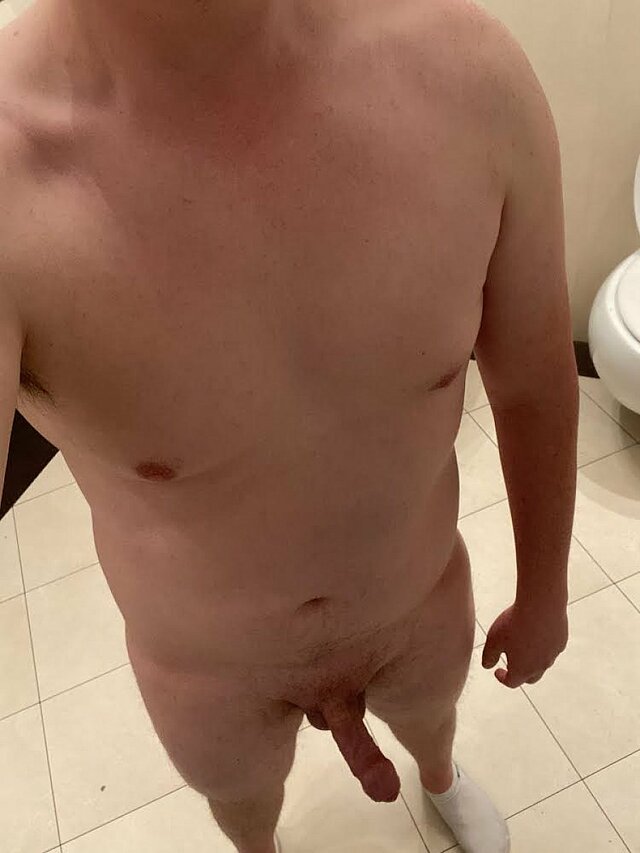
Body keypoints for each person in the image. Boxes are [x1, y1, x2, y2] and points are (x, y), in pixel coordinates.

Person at [0, 0, 579, 851]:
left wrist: (546, 592)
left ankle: (440, 778)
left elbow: (532, 379)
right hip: (205, 671)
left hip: (419, 601)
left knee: (435, 724)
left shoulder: (472, 77)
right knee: (246, 811)